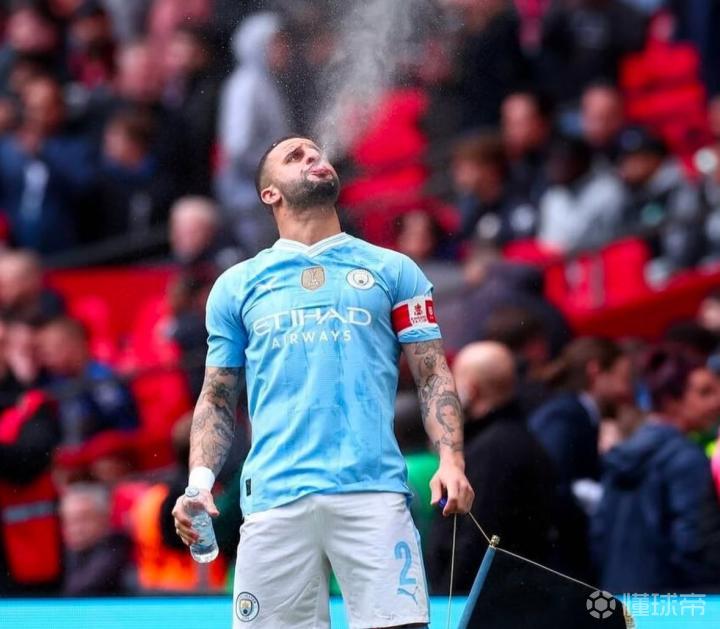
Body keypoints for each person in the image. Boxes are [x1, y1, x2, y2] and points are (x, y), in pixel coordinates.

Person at [173, 136, 474, 628]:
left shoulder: (393, 269)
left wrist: (452, 460)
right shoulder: (236, 285)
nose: (313, 157)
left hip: (371, 491)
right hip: (273, 498)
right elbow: (218, 396)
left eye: (317, 152)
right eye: (294, 156)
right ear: (269, 193)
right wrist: (200, 483)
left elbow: (432, 373)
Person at [427, 342, 557, 594]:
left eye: (453, 382)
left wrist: (447, 595)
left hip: (481, 599)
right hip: (513, 593)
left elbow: (476, 539)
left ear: (471, 389)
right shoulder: (518, 436)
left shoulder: (492, 449)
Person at [592, 346, 720, 592]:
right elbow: (694, 545)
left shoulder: (624, 453)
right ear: (671, 400)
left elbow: (599, 533)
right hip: (672, 602)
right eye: (705, 393)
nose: (717, 401)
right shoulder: (686, 458)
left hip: (618, 595)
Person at [36, 317, 139, 445]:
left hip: (115, 446)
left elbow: (120, 423)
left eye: (50, 352)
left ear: (73, 345)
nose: (45, 360)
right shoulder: (56, 381)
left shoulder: (101, 377)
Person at [60, 482, 132, 595]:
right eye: (70, 521)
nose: (76, 529)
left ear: (105, 517)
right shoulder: (64, 555)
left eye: (83, 519)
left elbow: (79, 590)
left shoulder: (116, 550)